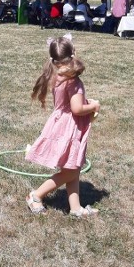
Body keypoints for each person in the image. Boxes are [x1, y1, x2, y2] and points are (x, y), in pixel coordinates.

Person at [25, 34, 101, 218]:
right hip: (69, 127)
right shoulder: (73, 81)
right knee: (71, 170)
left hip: (60, 123)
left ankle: (75, 208)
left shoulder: (55, 75)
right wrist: (93, 105)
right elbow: (76, 108)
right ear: (73, 53)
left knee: (72, 168)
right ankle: (36, 195)